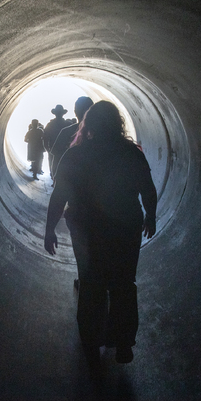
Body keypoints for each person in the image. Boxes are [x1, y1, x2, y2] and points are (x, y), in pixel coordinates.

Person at [44, 101, 157, 369]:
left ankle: (91, 343)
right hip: (125, 228)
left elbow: (59, 196)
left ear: (88, 125)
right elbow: (147, 189)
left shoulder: (75, 156)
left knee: (91, 285)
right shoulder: (131, 153)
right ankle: (124, 343)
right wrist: (150, 216)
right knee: (123, 285)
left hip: (87, 230)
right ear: (117, 125)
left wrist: (50, 229)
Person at [49, 96, 93, 180]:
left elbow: (56, 157)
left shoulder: (66, 131)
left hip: (70, 182)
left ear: (75, 112)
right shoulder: (101, 134)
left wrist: (57, 179)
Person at [43, 105, 73, 179]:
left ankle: (55, 182)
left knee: (54, 169)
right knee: (64, 171)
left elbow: (45, 139)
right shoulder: (68, 124)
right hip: (65, 151)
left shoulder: (50, 125)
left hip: (54, 151)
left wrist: (48, 150)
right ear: (63, 114)